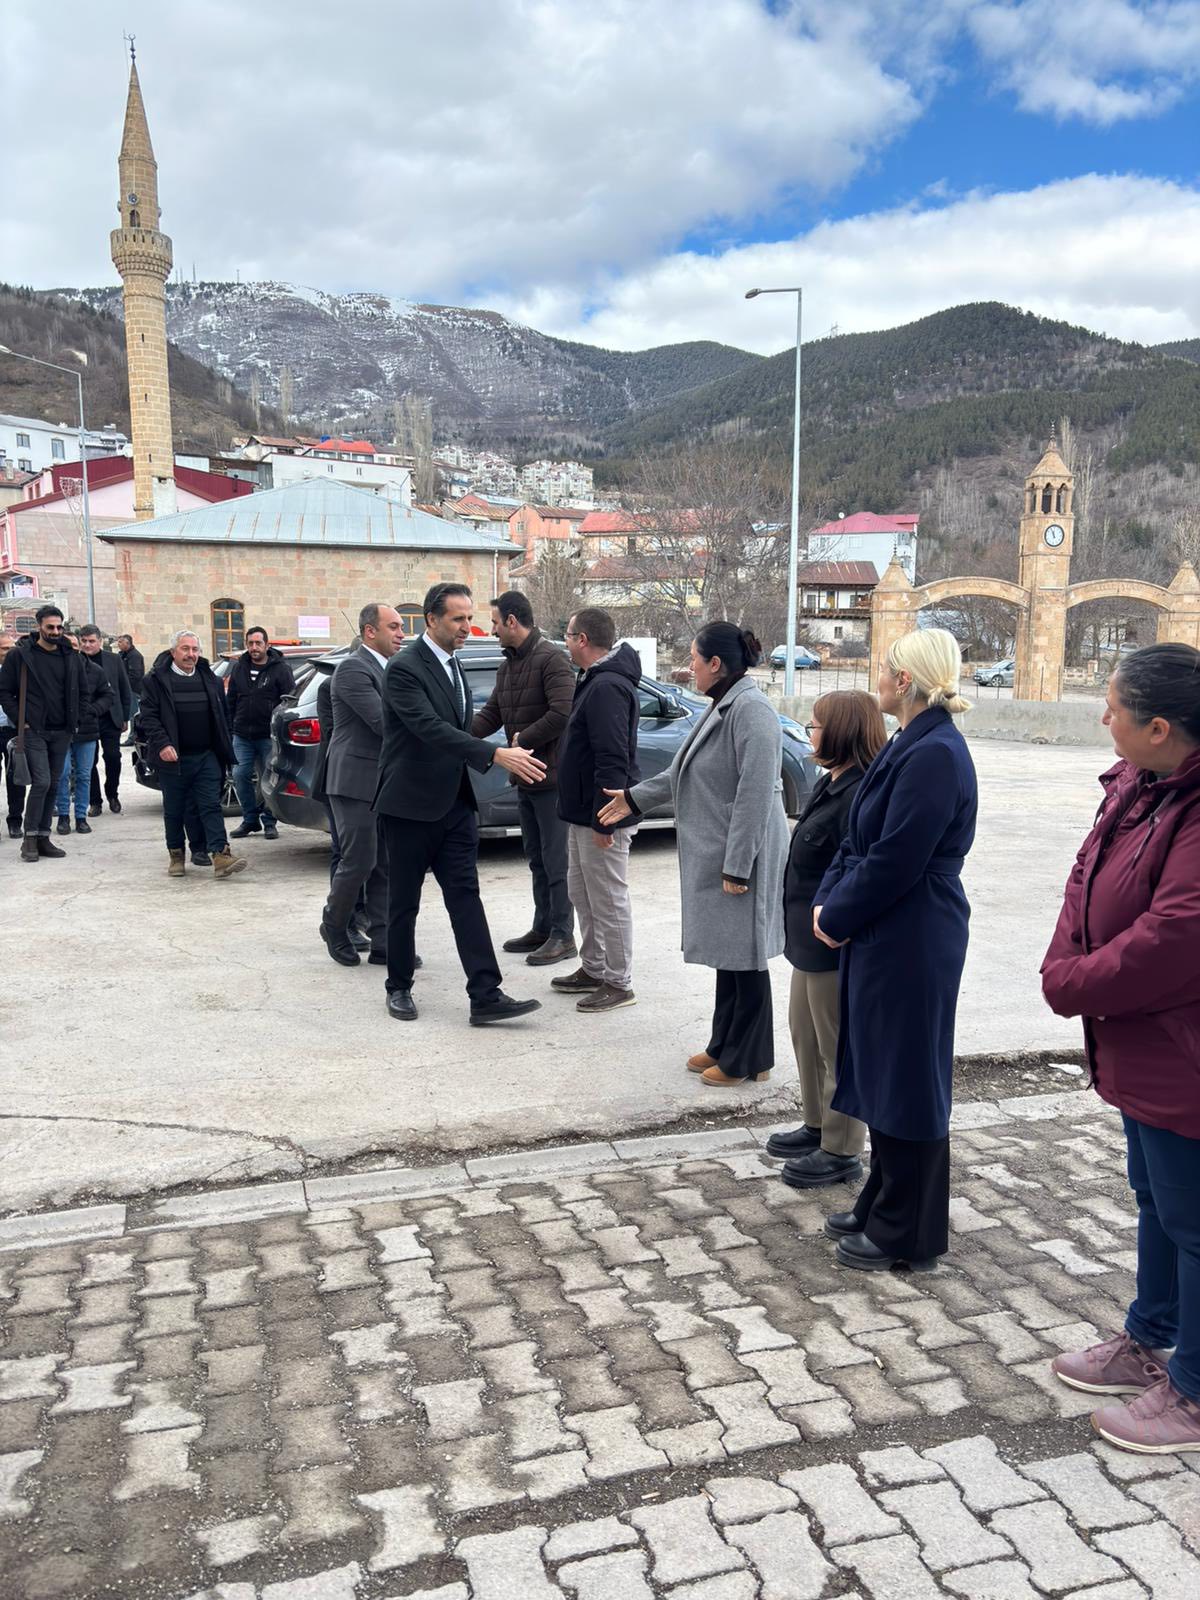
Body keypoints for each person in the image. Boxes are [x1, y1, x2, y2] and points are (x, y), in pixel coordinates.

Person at [1042, 644, 1200, 1454]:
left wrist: (1076, 983)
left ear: (1160, 727)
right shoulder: (1138, 785)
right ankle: (1150, 1338)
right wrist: (1064, 958)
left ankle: (1195, 1392)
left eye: (1113, 707)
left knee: (1193, 1218)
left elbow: (1176, 938)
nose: (1102, 717)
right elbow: (1086, 877)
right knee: (1154, 1198)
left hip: (1182, 1049)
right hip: (1137, 1043)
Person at [813, 627, 976, 1272]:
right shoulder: (910, 741)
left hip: (914, 933)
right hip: (884, 926)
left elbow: (899, 857)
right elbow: (857, 842)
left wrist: (842, 910)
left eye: (885, 667)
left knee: (908, 1074)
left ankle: (908, 1229)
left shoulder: (936, 752)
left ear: (904, 680)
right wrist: (831, 903)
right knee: (881, 1065)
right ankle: (884, 1194)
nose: (877, 675)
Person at [599, 622, 786, 1072]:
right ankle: (724, 1044)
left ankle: (749, 1058)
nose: (690, 668)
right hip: (723, 849)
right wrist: (632, 798)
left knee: (747, 959)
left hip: (744, 854)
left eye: (694, 659)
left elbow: (756, 793)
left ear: (715, 664)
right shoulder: (724, 701)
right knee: (730, 956)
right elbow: (679, 772)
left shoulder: (752, 709)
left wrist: (738, 865)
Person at [373, 582, 545, 1024]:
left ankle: (485, 995)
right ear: (430, 620)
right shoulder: (405, 668)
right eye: (458, 618)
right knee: (403, 903)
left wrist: (503, 741)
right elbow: (427, 727)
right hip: (409, 806)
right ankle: (398, 988)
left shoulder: (455, 665)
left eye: (470, 617)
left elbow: (461, 726)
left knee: (466, 898)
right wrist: (494, 754)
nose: (468, 626)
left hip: (455, 805)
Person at [769, 691, 888, 1183]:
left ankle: (842, 1148)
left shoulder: (862, 792)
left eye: (815, 725)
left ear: (840, 732)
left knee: (835, 1044)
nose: (807, 731)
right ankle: (817, 1124)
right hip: (805, 939)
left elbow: (858, 869)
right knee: (805, 1033)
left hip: (832, 940)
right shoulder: (829, 782)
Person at [473, 590, 577, 966]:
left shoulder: (552, 659)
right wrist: (458, 738)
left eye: (496, 623)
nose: (493, 630)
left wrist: (523, 739)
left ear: (512, 621)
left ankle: (564, 936)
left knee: (555, 860)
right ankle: (543, 926)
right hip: (526, 779)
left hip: (551, 779)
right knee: (535, 857)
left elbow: (563, 711)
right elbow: (492, 713)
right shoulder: (509, 665)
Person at [554, 609, 642, 1012]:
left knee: (607, 897)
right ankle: (593, 967)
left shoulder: (607, 686)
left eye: (568, 635)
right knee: (583, 892)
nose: (566, 641)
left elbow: (612, 758)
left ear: (583, 639)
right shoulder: (594, 679)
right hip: (580, 813)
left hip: (601, 816)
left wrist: (607, 818)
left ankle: (618, 981)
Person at [320, 603, 406, 967]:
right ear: (370, 631)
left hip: (384, 781)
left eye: (402, 626)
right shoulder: (354, 668)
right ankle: (334, 925)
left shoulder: (389, 668)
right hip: (355, 781)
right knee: (359, 861)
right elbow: (383, 723)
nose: (401, 633)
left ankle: (385, 941)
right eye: (394, 627)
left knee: (385, 863)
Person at [139, 629, 248, 879]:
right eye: (185, 649)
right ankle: (176, 855)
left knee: (210, 805)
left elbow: (222, 713)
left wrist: (225, 740)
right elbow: (149, 717)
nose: (191, 655)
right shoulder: (155, 680)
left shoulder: (209, 677)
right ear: (173, 652)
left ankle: (220, 855)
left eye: (195, 649)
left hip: (207, 755)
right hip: (172, 758)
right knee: (175, 809)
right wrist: (163, 744)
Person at [0, 604, 86, 862]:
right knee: (42, 782)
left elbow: (83, 690)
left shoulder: (70, 655)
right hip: (33, 729)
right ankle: (29, 840)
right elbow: (4, 692)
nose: (56, 631)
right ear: (39, 626)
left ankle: (43, 837)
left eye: (60, 627)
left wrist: (79, 717)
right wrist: (21, 720)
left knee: (54, 783)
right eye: (50, 627)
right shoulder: (20, 655)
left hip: (62, 731)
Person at [227, 627, 295, 840]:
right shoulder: (239, 667)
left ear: (267, 645)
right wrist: (229, 728)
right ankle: (250, 819)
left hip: (268, 736)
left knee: (268, 779)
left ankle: (269, 821)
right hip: (242, 735)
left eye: (258, 643)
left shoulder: (281, 669)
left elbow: (288, 701)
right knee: (239, 775)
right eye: (250, 643)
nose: (254, 648)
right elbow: (231, 700)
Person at [55, 632, 111, 835]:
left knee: (84, 774)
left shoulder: (94, 670)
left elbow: (107, 695)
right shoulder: (55, 669)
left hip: (87, 730)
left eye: (73, 644)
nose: (71, 647)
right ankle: (63, 815)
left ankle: (81, 817)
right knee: (62, 774)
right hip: (60, 730)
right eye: (66, 644)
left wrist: (93, 710)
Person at [80, 625, 133, 816]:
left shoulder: (113, 659)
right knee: (88, 762)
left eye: (91, 641)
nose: (87, 645)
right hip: (86, 720)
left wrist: (125, 716)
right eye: (84, 641)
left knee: (113, 757)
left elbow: (124, 689)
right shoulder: (75, 661)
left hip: (111, 718)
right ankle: (95, 801)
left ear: (100, 641)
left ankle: (112, 794)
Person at [0, 630, 26, 839]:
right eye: (4, 648)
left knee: (16, 777)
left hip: (12, 730)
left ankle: (15, 820)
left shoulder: (20, 671)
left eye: (12, 648)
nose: (9, 652)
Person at [116, 633, 145, 744]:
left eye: (120, 642)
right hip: (126, 690)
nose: (118, 644)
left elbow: (135, 675)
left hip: (133, 690)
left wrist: (124, 685)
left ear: (127, 643)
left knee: (133, 714)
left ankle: (133, 737)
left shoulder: (134, 656)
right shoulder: (123, 655)